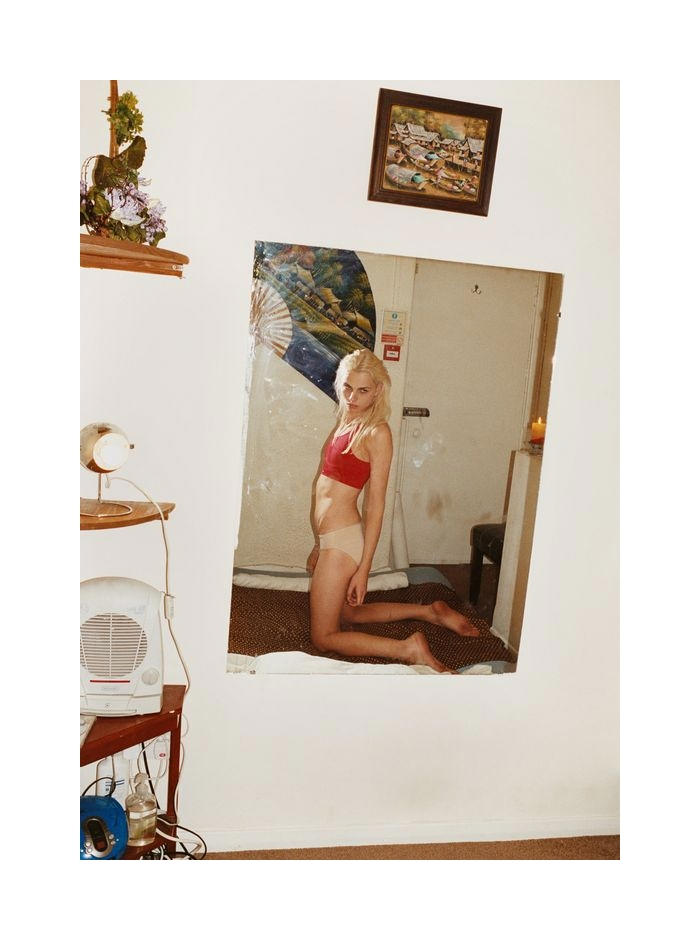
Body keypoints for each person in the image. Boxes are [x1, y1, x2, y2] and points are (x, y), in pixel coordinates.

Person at [307, 349, 479, 673]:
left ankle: (408, 649)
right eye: (347, 387)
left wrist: (364, 569)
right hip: (330, 541)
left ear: (378, 391)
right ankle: (430, 612)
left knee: (323, 637)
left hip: (343, 544)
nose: (352, 397)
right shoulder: (347, 419)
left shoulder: (377, 432)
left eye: (362, 391)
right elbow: (325, 488)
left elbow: (375, 505)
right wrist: (318, 544)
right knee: (348, 614)